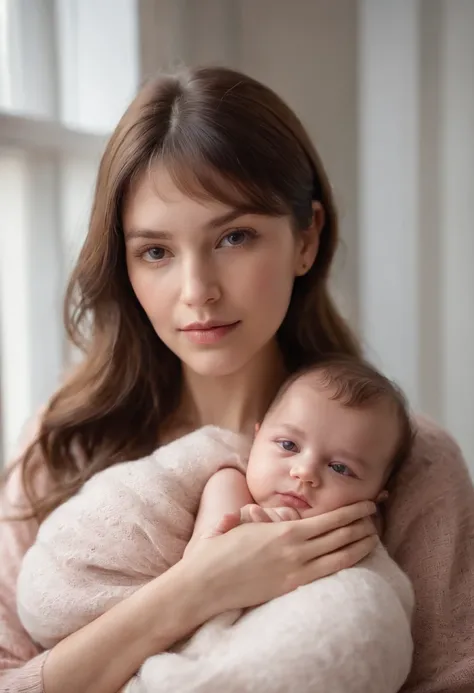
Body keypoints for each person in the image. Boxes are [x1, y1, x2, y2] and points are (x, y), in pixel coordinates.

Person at [0, 66, 472, 693]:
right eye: (156, 251)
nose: (197, 292)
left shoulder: (412, 461)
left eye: (233, 237)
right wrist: (198, 588)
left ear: (307, 238)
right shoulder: (61, 441)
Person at [15, 357, 415, 693]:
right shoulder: (229, 481)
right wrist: (247, 529)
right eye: (288, 446)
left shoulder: (368, 530)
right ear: (256, 440)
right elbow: (206, 560)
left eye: (341, 468)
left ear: (377, 497)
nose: (305, 472)